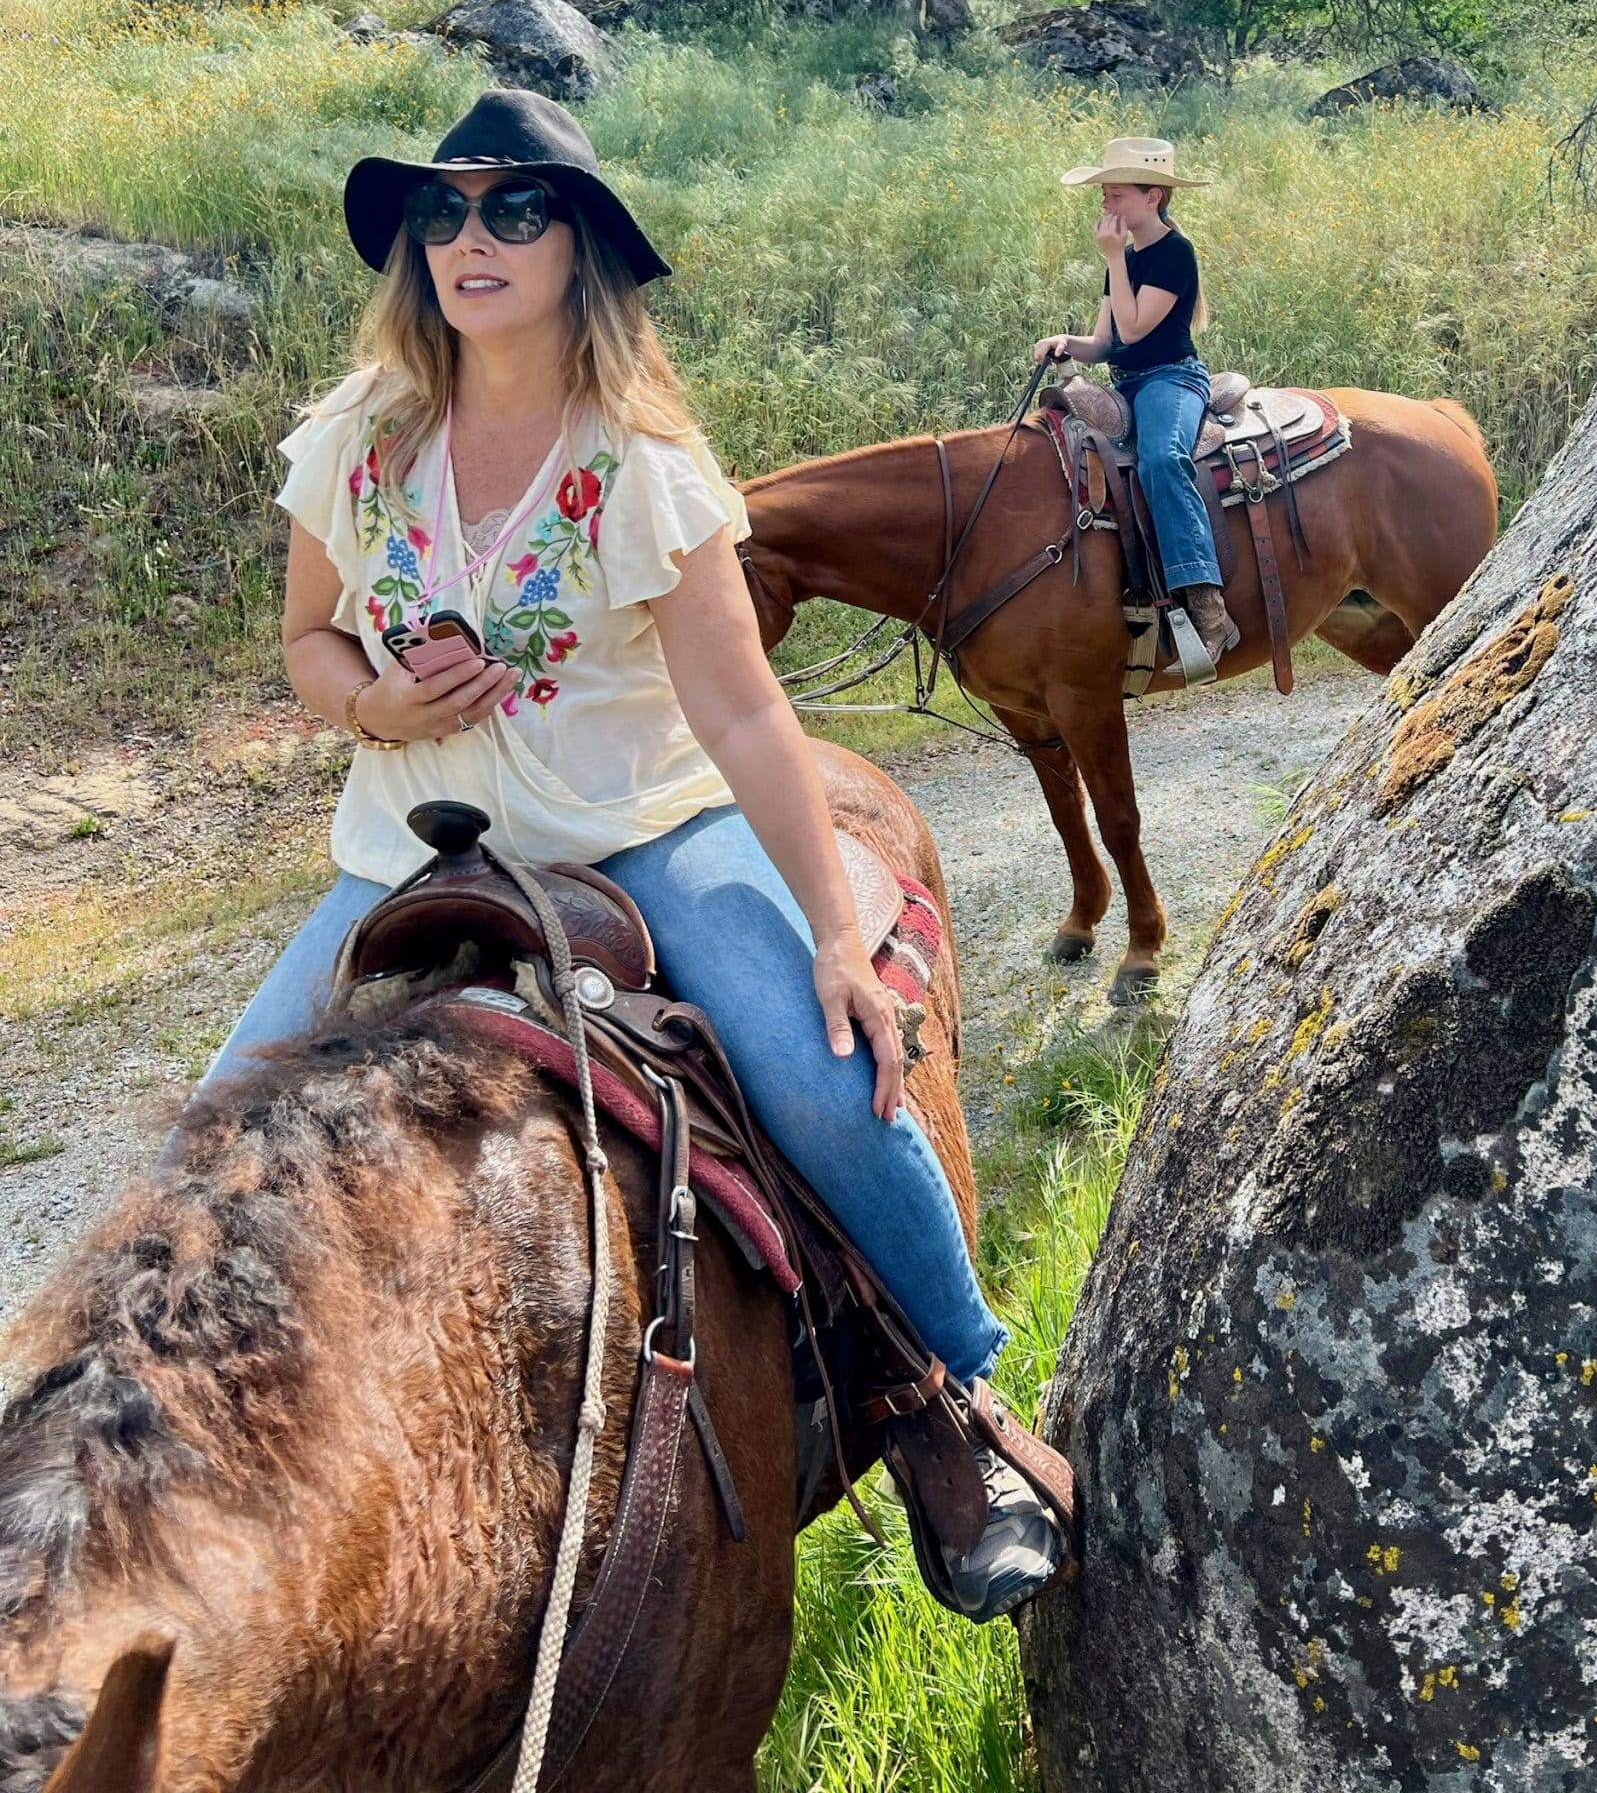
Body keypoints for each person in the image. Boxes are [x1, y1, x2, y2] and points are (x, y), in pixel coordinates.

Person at [206, 83, 1071, 1620]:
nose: (473, 239)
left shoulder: (639, 468)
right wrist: (378, 702)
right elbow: (304, 643)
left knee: (825, 1086)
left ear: (579, 246)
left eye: (514, 210)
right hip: (405, 854)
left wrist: (828, 932)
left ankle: (955, 1398)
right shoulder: (354, 442)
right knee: (207, 1149)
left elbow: (744, 712)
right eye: (444, 212)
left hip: (642, 838)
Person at [1033, 133, 1239, 669]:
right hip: (1127, 380)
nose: (1106, 203)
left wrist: (1112, 259)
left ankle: (1209, 608)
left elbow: (1136, 325)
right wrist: (1065, 343)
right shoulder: (1122, 261)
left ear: (1153, 197)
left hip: (1171, 378)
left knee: (1162, 460)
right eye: (1104, 194)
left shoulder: (1174, 254)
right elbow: (1106, 343)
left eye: (1117, 193)